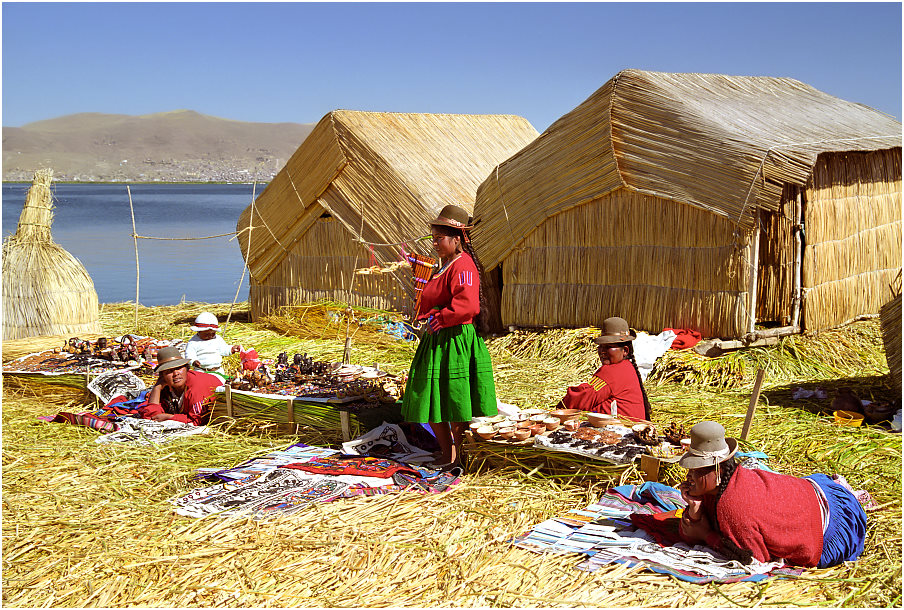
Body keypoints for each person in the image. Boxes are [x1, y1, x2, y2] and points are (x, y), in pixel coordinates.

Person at [677, 421, 867, 568]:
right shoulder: (720, 485)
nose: (689, 475)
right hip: (816, 491)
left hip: (833, 527)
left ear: (718, 470)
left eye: (697, 469)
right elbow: (688, 531)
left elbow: (752, 559)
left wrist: (706, 535)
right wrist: (695, 512)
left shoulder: (733, 506)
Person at [402, 204, 498, 468]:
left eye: (439, 238)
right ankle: (448, 454)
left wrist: (440, 318)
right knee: (431, 398)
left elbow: (468, 305)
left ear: (457, 239)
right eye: (433, 238)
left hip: (455, 339)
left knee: (455, 402)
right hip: (438, 339)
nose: (434, 243)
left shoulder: (463, 265)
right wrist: (428, 313)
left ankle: (458, 457)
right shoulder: (445, 265)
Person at [558, 317, 651, 421]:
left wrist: (559, 408)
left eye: (608, 347)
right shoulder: (627, 367)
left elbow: (580, 399)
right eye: (601, 346)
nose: (602, 351)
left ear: (625, 351)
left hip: (623, 431)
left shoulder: (613, 371)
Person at [139, 346, 223, 426]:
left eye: (179, 368)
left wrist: (170, 417)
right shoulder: (167, 388)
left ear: (186, 369)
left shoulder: (197, 387)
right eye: (169, 371)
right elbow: (151, 416)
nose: (176, 374)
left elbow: (197, 421)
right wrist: (157, 388)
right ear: (162, 376)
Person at [183, 312, 240, 378]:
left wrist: (231, 349)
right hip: (201, 371)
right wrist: (194, 361)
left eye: (213, 334)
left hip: (217, 371)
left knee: (220, 386)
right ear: (198, 331)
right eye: (206, 334)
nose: (210, 336)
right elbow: (189, 354)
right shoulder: (193, 342)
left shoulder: (217, 339)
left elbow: (223, 349)